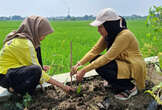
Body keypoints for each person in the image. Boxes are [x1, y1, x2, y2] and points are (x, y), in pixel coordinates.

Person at [71, 8, 146, 100]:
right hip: (122, 64)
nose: (98, 30)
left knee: (102, 65)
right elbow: (94, 51)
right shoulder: (110, 34)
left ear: (109, 25)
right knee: (95, 59)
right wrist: (78, 65)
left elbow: (107, 58)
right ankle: (115, 82)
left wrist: (84, 70)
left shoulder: (124, 35)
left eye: (100, 26)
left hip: (133, 66)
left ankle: (129, 88)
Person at [0, 16, 74, 96]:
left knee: (37, 49)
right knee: (36, 70)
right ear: (36, 31)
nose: (44, 37)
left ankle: (17, 88)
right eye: (43, 34)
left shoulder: (21, 39)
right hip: (5, 77)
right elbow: (39, 72)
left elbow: (22, 61)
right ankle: (18, 92)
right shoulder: (25, 44)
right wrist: (63, 86)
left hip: (9, 73)